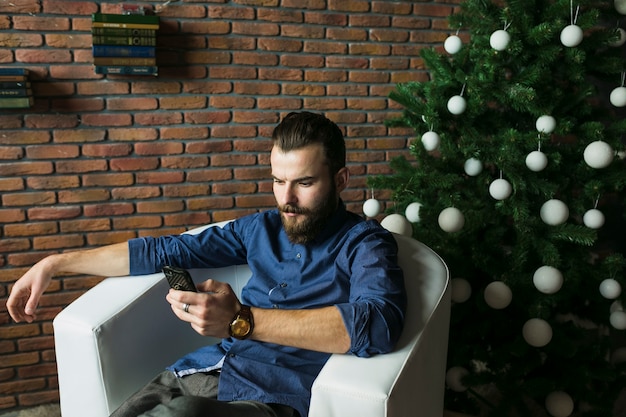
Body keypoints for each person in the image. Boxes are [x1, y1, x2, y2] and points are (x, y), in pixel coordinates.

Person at [7, 111, 407, 417]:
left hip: (271, 397)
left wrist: (241, 320)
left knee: (180, 414)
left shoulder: (366, 243)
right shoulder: (260, 229)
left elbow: (377, 324)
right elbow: (163, 251)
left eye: (304, 183)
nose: (286, 198)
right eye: (276, 181)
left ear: (340, 180)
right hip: (195, 373)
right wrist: (56, 263)